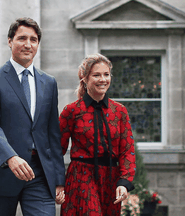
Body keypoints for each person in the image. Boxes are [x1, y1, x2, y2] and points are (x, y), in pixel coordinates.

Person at [0, 17, 65, 216]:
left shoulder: (49, 83)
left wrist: (58, 179)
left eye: (33, 39)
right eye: (22, 38)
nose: (28, 44)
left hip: (39, 173)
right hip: (2, 171)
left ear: (38, 44)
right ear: (10, 41)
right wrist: (10, 157)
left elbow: (52, 134)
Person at [59, 53, 136, 216]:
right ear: (85, 79)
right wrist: (57, 183)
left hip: (111, 179)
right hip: (82, 177)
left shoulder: (119, 111)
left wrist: (124, 182)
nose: (103, 79)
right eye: (96, 75)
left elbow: (127, 150)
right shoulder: (72, 111)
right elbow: (55, 149)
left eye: (106, 74)